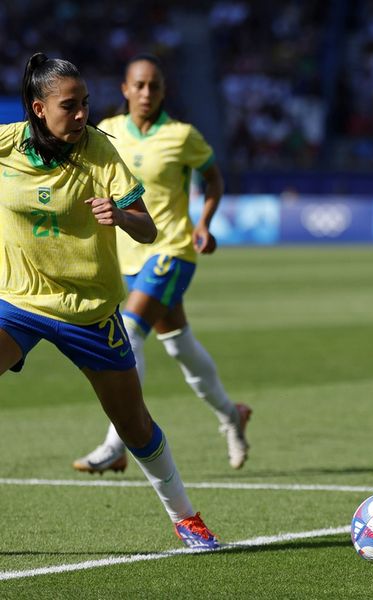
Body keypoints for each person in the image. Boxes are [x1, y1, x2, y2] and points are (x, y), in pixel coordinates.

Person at [1, 53, 218, 549]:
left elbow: (148, 228)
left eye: (86, 104)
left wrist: (120, 217)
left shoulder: (99, 150)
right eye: (69, 106)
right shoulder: (6, 143)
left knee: (134, 426)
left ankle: (185, 516)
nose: (81, 115)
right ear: (38, 108)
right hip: (18, 303)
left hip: (89, 313)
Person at [72, 54, 251, 474]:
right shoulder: (108, 132)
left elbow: (214, 179)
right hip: (126, 255)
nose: (147, 93)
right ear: (124, 89)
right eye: (139, 85)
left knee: (129, 333)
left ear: (163, 90)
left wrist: (204, 222)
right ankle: (231, 415)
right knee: (180, 345)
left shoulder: (181, 135)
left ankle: (116, 444)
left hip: (171, 250)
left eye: (154, 86)